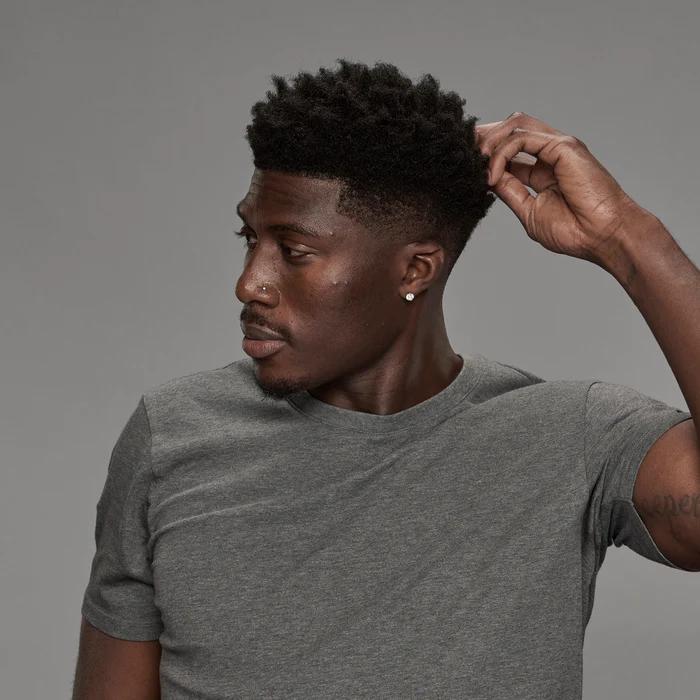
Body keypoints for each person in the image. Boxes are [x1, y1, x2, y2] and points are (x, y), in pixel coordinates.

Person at [72, 59, 700, 699]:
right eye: (249, 238)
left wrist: (628, 237)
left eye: (294, 252)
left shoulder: (572, 440)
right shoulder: (173, 436)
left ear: (415, 271)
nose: (249, 283)